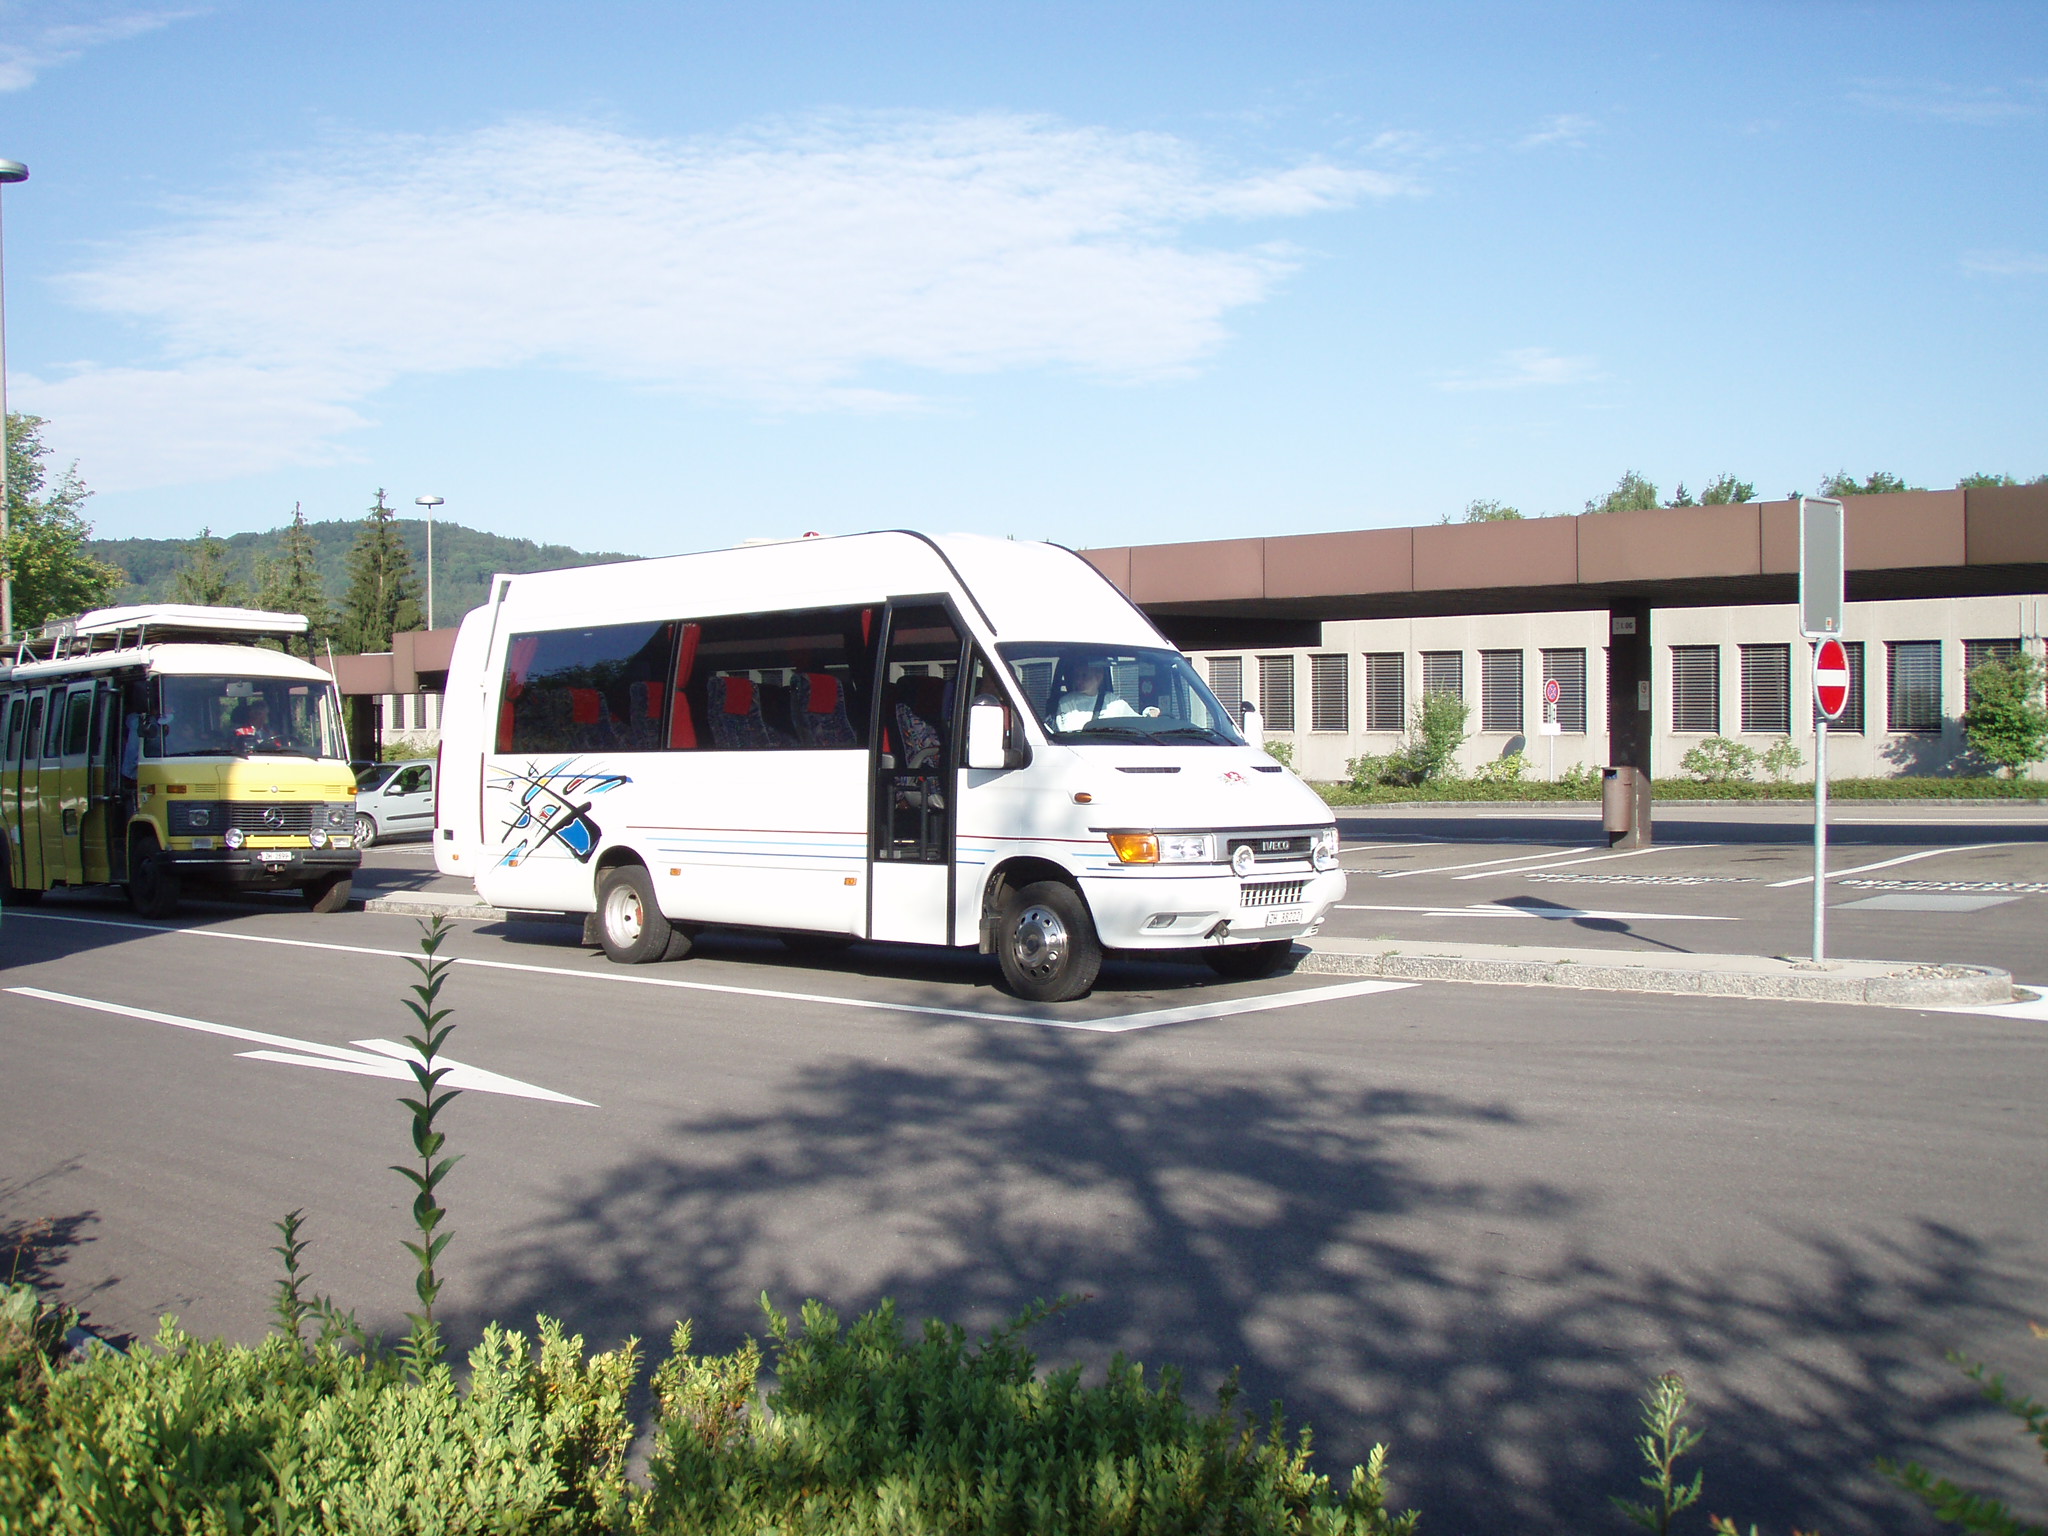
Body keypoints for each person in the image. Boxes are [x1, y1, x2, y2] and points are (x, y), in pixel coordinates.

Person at [1050, 659, 1155, 733]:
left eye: (1084, 675)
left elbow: (1136, 722)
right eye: (1077, 676)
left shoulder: (1114, 702)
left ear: (1098, 677)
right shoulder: (1066, 702)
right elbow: (1068, 734)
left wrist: (1149, 713)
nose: (1078, 680)